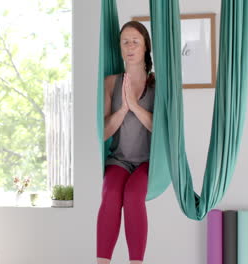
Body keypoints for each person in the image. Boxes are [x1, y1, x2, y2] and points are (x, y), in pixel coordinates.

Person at [97, 20, 155, 264]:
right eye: (125, 42)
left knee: (133, 197)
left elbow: (161, 130)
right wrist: (122, 109)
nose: (130, 46)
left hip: (148, 163)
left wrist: (134, 104)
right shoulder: (111, 82)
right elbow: (103, 133)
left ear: (145, 47)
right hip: (119, 160)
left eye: (135, 41)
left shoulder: (158, 84)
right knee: (110, 193)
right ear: (120, 48)